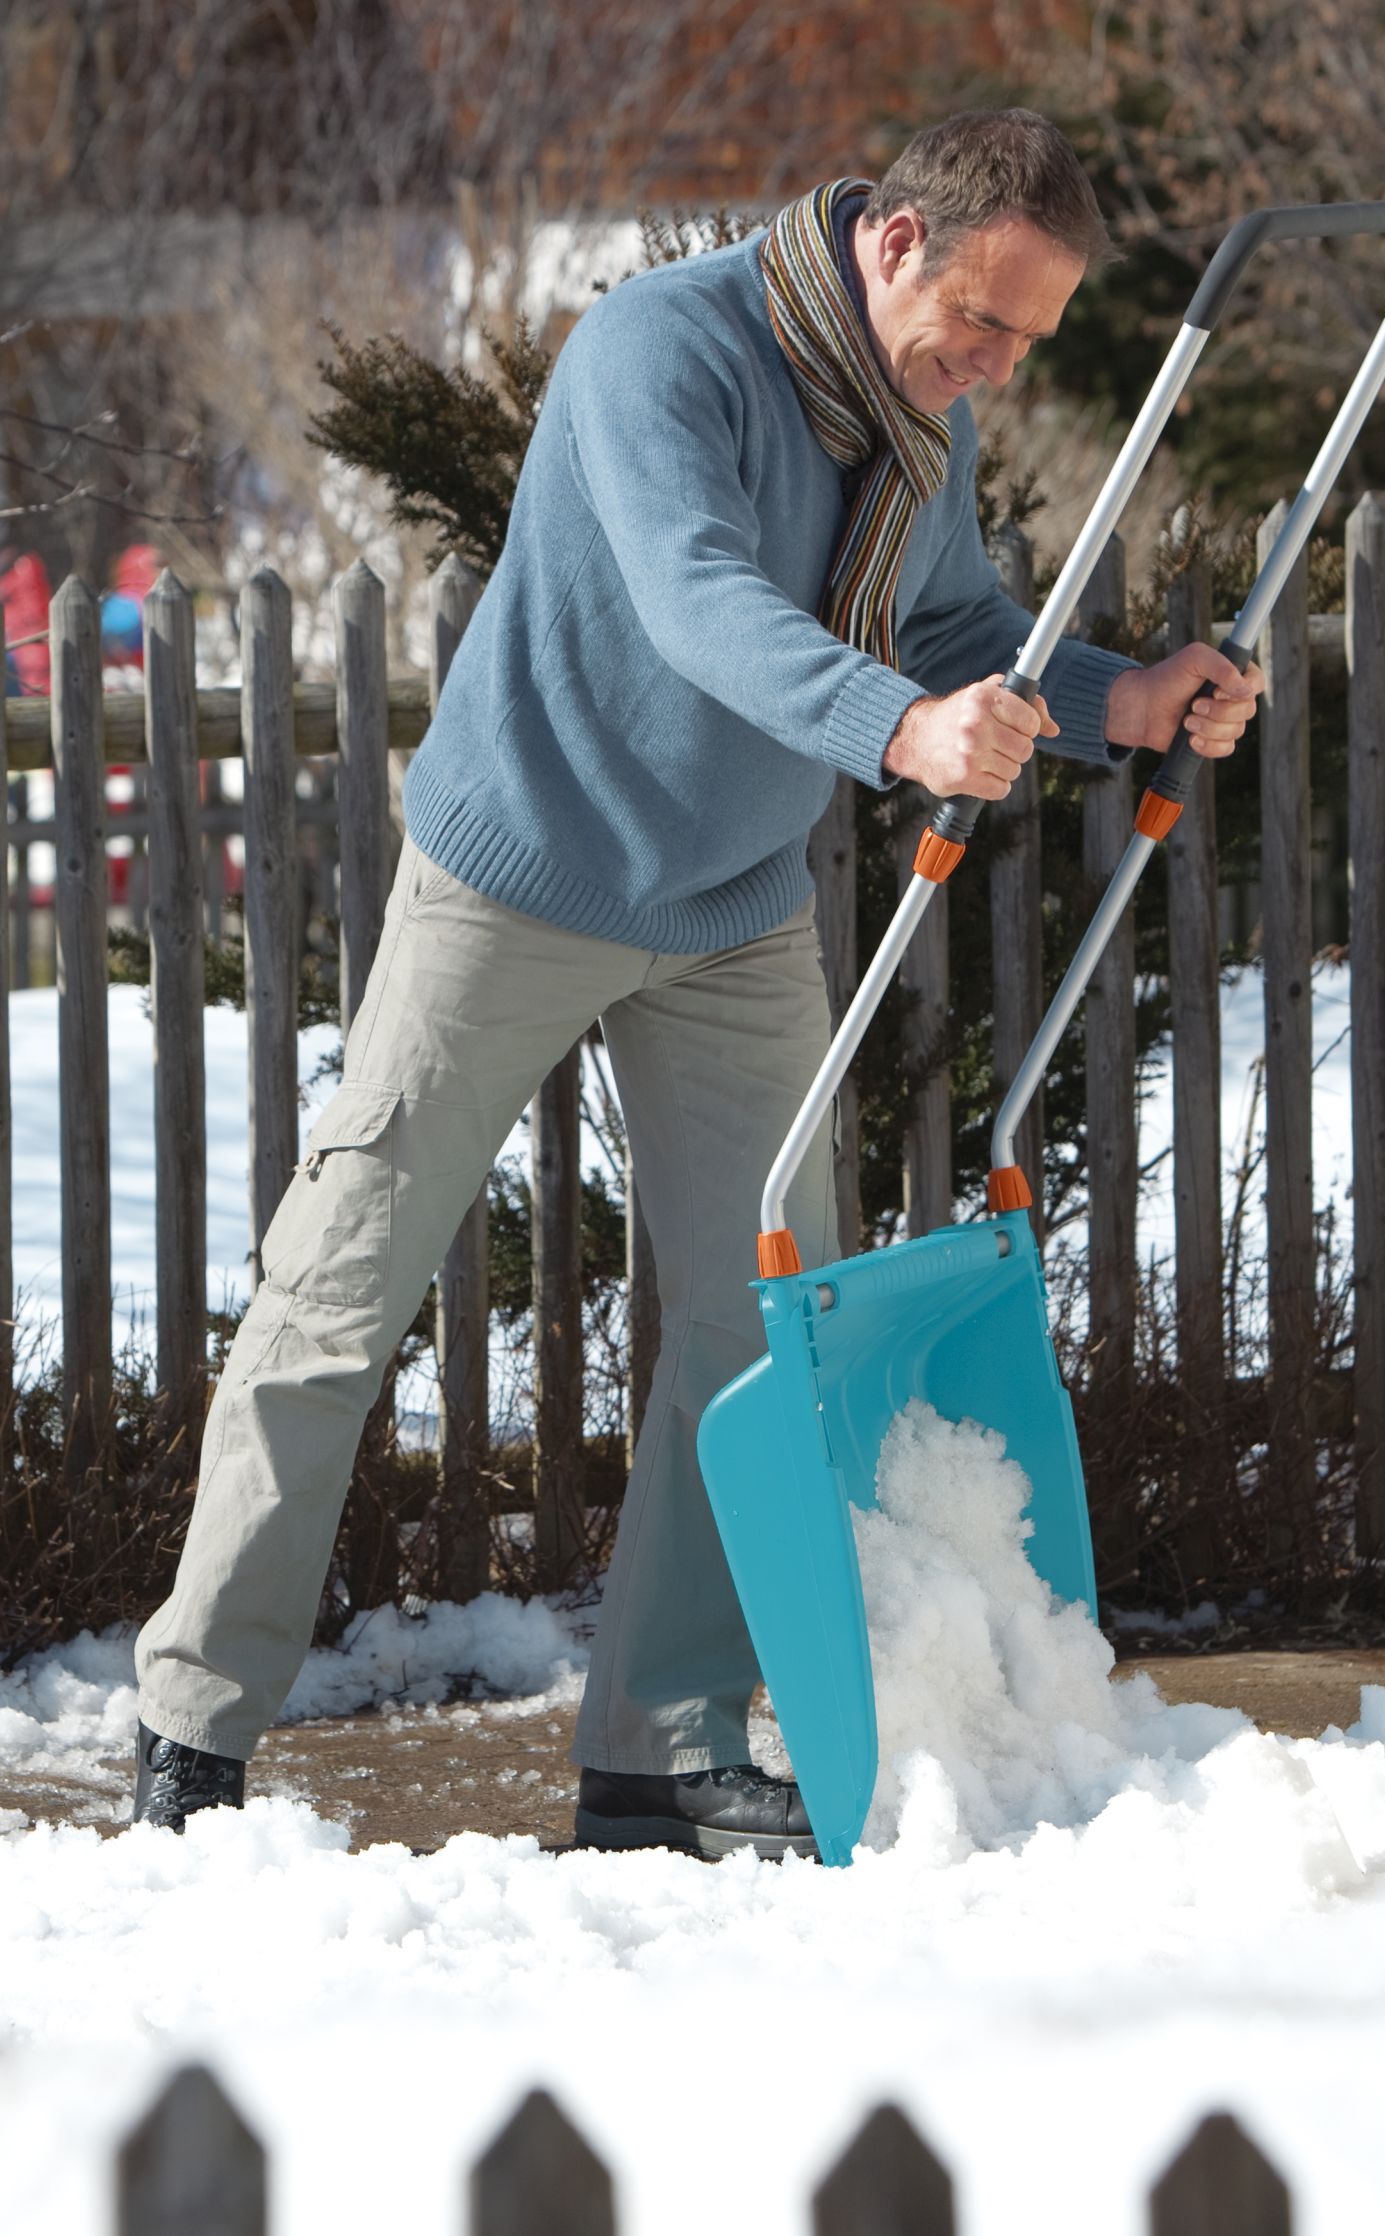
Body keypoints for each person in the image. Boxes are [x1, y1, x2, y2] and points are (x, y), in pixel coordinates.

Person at [131, 109, 1260, 1856]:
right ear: (893, 243)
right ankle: (191, 1730)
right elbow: (701, 600)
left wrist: (1124, 697)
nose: (999, 365)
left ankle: (658, 1746)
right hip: (524, 872)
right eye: (986, 319)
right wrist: (895, 730)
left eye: (1031, 337)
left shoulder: (912, 432)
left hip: (731, 909)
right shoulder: (660, 351)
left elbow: (954, 630)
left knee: (759, 1331)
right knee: (341, 1281)